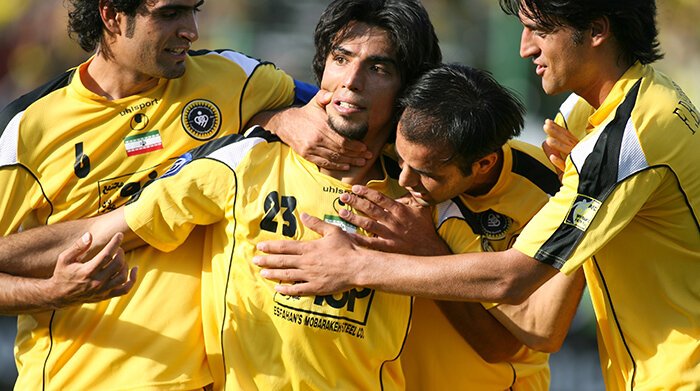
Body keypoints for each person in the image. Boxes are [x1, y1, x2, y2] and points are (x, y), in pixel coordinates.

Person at [254, 0, 700, 389]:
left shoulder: (628, 135)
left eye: (540, 30)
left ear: (598, 31)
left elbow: (518, 287)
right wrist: (282, 117)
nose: (525, 48)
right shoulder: (587, 116)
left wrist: (358, 265)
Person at [0, 0, 442, 388]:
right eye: (170, 13)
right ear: (111, 15)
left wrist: (281, 118)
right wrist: (51, 293)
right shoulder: (29, 129)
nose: (191, 29)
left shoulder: (234, 78)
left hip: (197, 380)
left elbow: (348, 108)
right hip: (80, 377)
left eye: (195, 9)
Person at [328, 63, 584, 390]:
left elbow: (517, 339)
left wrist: (427, 251)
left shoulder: (552, 194)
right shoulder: (391, 146)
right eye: (401, 160)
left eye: (427, 173)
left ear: (483, 164)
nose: (404, 179)